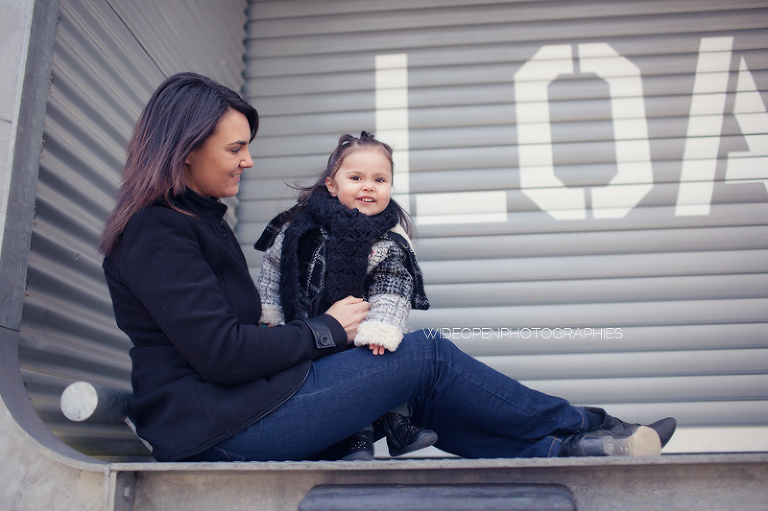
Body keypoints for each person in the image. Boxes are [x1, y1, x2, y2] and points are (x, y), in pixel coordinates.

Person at [99, 72, 677, 463]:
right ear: (186, 149)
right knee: (425, 356)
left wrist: (323, 337)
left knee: (417, 388)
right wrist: (328, 330)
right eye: (236, 148)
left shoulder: (197, 220)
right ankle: (589, 424)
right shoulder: (156, 231)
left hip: (242, 408)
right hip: (217, 428)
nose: (248, 160)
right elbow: (223, 353)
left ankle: (573, 451)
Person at [254, 131, 437, 460]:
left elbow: (393, 286)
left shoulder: (389, 240)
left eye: (380, 179)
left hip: (362, 328)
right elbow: (274, 270)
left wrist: (381, 326)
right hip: (311, 329)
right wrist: (271, 315)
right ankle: (355, 438)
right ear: (332, 185)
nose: (369, 186)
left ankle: (399, 424)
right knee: (338, 375)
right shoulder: (300, 228)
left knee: (386, 353)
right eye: (356, 178)